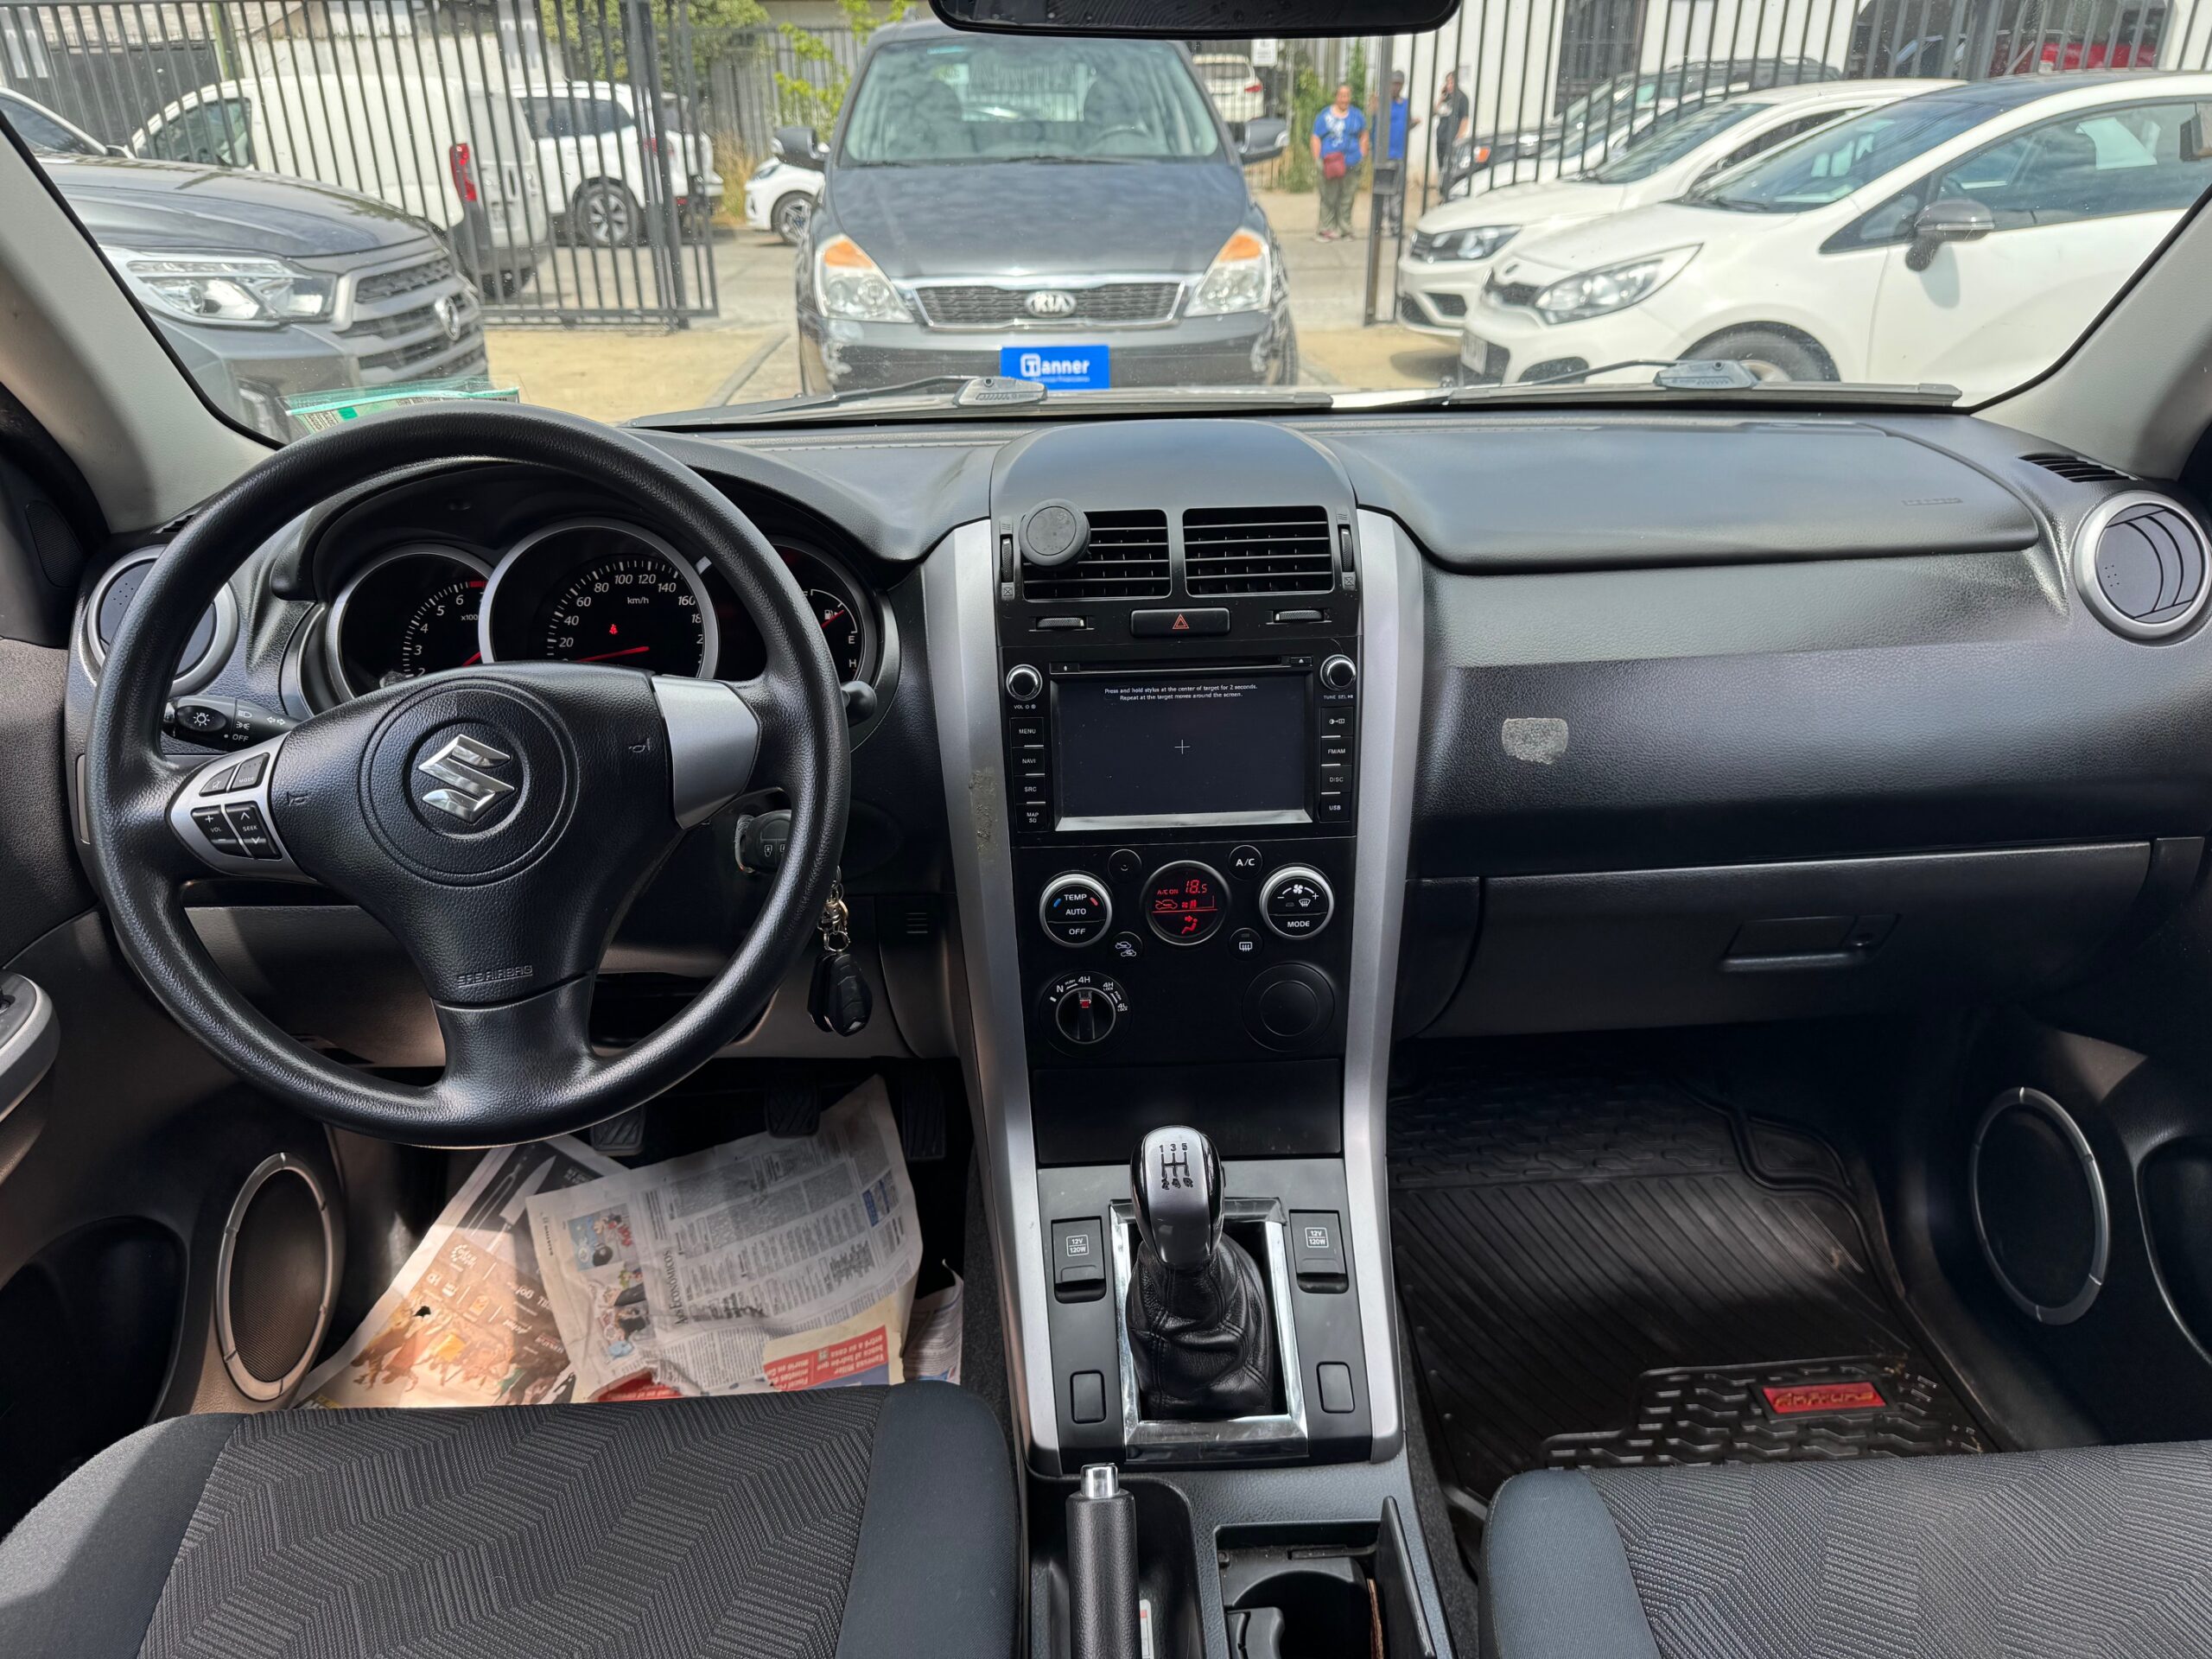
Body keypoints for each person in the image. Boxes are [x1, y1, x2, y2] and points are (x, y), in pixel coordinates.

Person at [1309, 82, 1366, 240]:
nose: (1344, 99)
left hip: (1352, 163)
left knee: (1347, 197)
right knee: (1329, 196)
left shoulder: (1357, 115)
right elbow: (1315, 137)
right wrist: (1317, 158)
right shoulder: (1324, 116)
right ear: (1336, 97)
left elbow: (1364, 135)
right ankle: (1326, 229)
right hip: (1331, 163)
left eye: (1347, 96)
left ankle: (1345, 228)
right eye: (1341, 95)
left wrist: (1362, 154)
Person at [1374, 69, 1412, 237]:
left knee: (1397, 192)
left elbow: (1406, 124)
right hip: (1384, 155)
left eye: (1399, 84)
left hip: (1400, 154)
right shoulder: (1382, 104)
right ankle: (1378, 226)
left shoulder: (1405, 104)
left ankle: (1395, 227)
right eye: (1394, 83)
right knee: (1382, 191)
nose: (1396, 87)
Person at [1434, 68, 1471, 192]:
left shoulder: (1462, 98)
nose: (1449, 85)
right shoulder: (1446, 98)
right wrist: (1441, 97)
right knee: (1441, 165)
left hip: (1452, 138)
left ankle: (1449, 190)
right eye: (1447, 82)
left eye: (1451, 82)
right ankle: (1442, 188)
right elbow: (1435, 111)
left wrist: (1459, 137)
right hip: (1441, 137)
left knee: (1451, 166)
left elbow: (1465, 119)